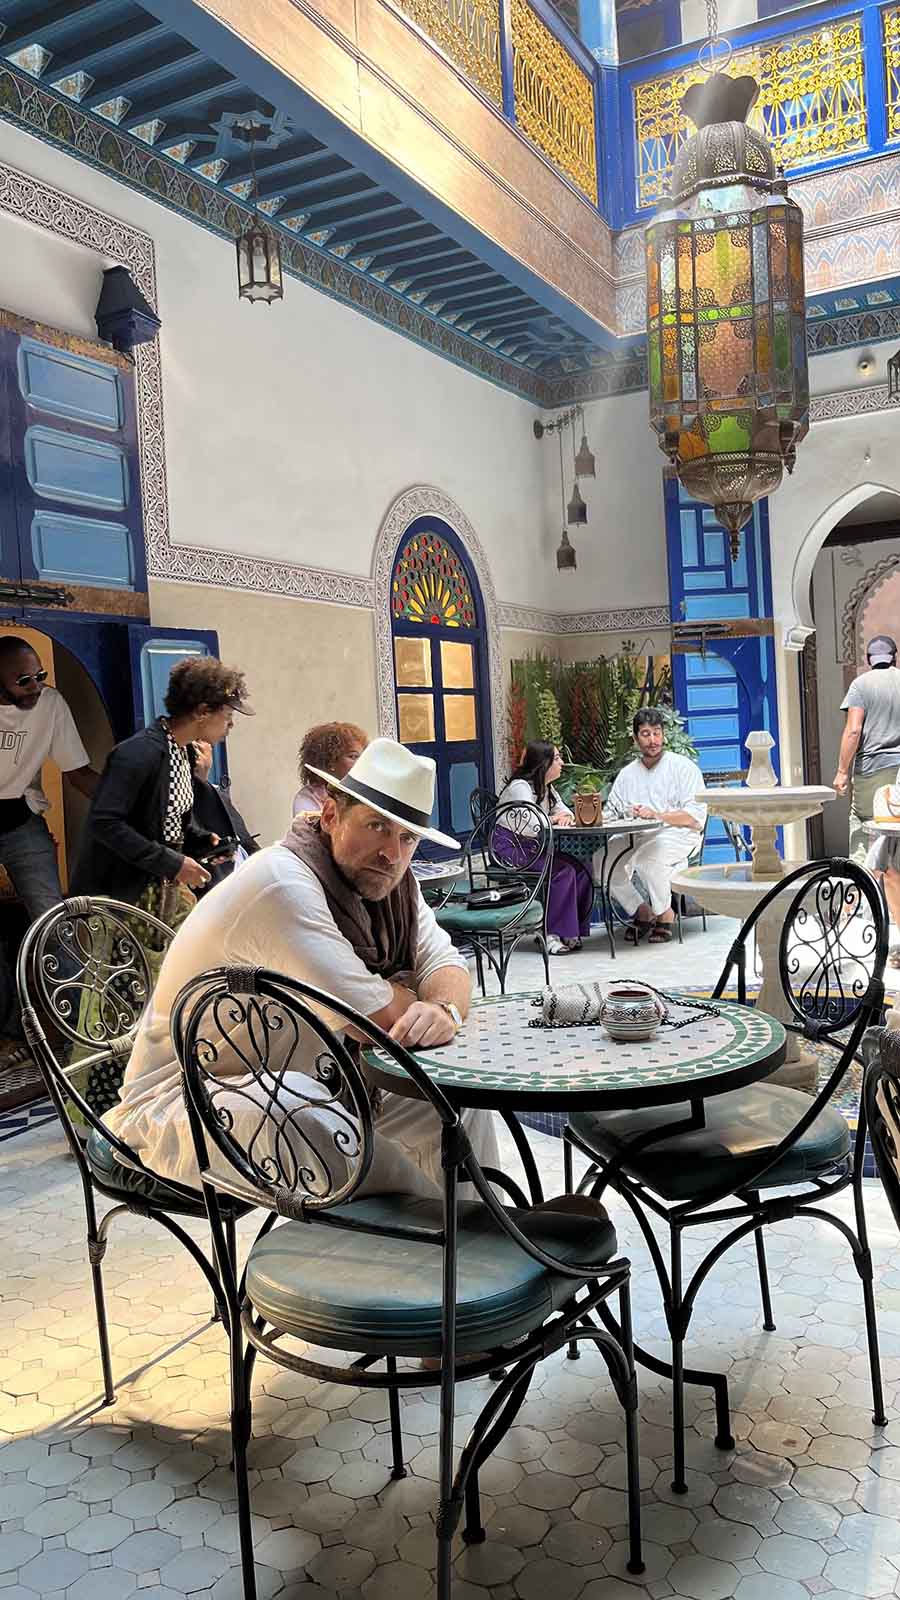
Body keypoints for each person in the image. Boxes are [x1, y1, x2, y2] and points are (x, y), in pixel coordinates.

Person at [103, 738, 498, 1198]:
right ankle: (455, 1233)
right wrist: (413, 996)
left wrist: (444, 1008)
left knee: (455, 1099)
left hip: (321, 1079)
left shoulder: (394, 888)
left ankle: (480, 1224)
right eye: (376, 826)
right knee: (313, 1120)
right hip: (186, 1100)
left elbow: (447, 965)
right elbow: (376, 1022)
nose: (392, 853)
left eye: (407, 837)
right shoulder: (283, 884)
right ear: (330, 816)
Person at [71, 657, 252, 927]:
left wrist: (202, 842)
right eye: (227, 716)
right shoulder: (138, 753)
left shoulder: (183, 752)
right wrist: (172, 863)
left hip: (163, 893)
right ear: (202, 711)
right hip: (121, 896)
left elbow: (165, 823)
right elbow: (105, 823)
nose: (230, 725)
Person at [0, 636, 99, 1042]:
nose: (36, 686)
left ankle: (79, 1026)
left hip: (21, 821)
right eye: (23, 680)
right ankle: (9, 1031)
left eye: (39, 675)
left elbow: (77, 773)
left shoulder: (51, 704)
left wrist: (126, 802)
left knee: (53, 922)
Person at [605, 708, 706, 944]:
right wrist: (619, 814)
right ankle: (642, 911)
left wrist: (658, 815)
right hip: (637, 834)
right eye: (646, 734)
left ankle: (665, 914)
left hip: (678, 833)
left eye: (657, 733)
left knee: (647, 858)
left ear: (664, 734)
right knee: (603, 862)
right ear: (635, 738)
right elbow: (611, 811)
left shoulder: (683, 767)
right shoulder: (627, 774)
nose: (652, 740)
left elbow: (694, 817)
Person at [499, 741, 593, 955]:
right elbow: (531, 824)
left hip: (534, 848)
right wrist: (554, 818)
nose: (562, 763)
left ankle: (571, 930)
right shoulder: (520, 787)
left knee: (582, 868)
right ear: (544, 763)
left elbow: (566, 811)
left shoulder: (547, 787)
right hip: (511, 849)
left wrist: (564, 816)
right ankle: (551, 934)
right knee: (562, 872)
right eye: (557, 758)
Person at [833, 636, 900, 863]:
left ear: (869, 659)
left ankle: (859, 878)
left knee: (861, 819)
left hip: (871, 767)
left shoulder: (860, 685)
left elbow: (853, 730)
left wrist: (842, 771)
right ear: (894, 657)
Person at [190, 740, 258, 894]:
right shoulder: (176, 803)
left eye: (200, 740)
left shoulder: (220, 796)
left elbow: (247, 843)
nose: (195, 746)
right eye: (190, 741)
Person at [292, 722, 368, 816]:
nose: (361, 762)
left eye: (363, 757)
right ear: (330, 762)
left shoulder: (365, 792)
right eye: (353, 756)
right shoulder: (308, 797)